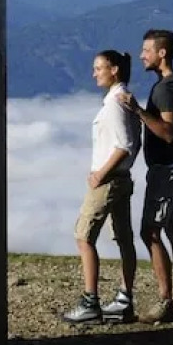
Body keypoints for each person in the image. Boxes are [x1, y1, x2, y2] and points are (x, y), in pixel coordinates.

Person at [118, 29, 173, 323]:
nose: (141, 55)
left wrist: (137, 111)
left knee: (150, 232)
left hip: (165, 171)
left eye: (146, 50)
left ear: (162, 53)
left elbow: (169, 133)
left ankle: (165, 301)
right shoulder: (169, 85)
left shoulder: (166, 89)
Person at [62, 50, 141, 325]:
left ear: (114, 69)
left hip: (108, 181)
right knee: (124, 238)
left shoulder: (115, 105)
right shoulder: (124, 100)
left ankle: (90, 302)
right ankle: (124, 299)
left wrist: (100, 175)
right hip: (122, 179)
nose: (94, 73)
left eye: (99, 68)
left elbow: (124, 146)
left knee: (84, 236)